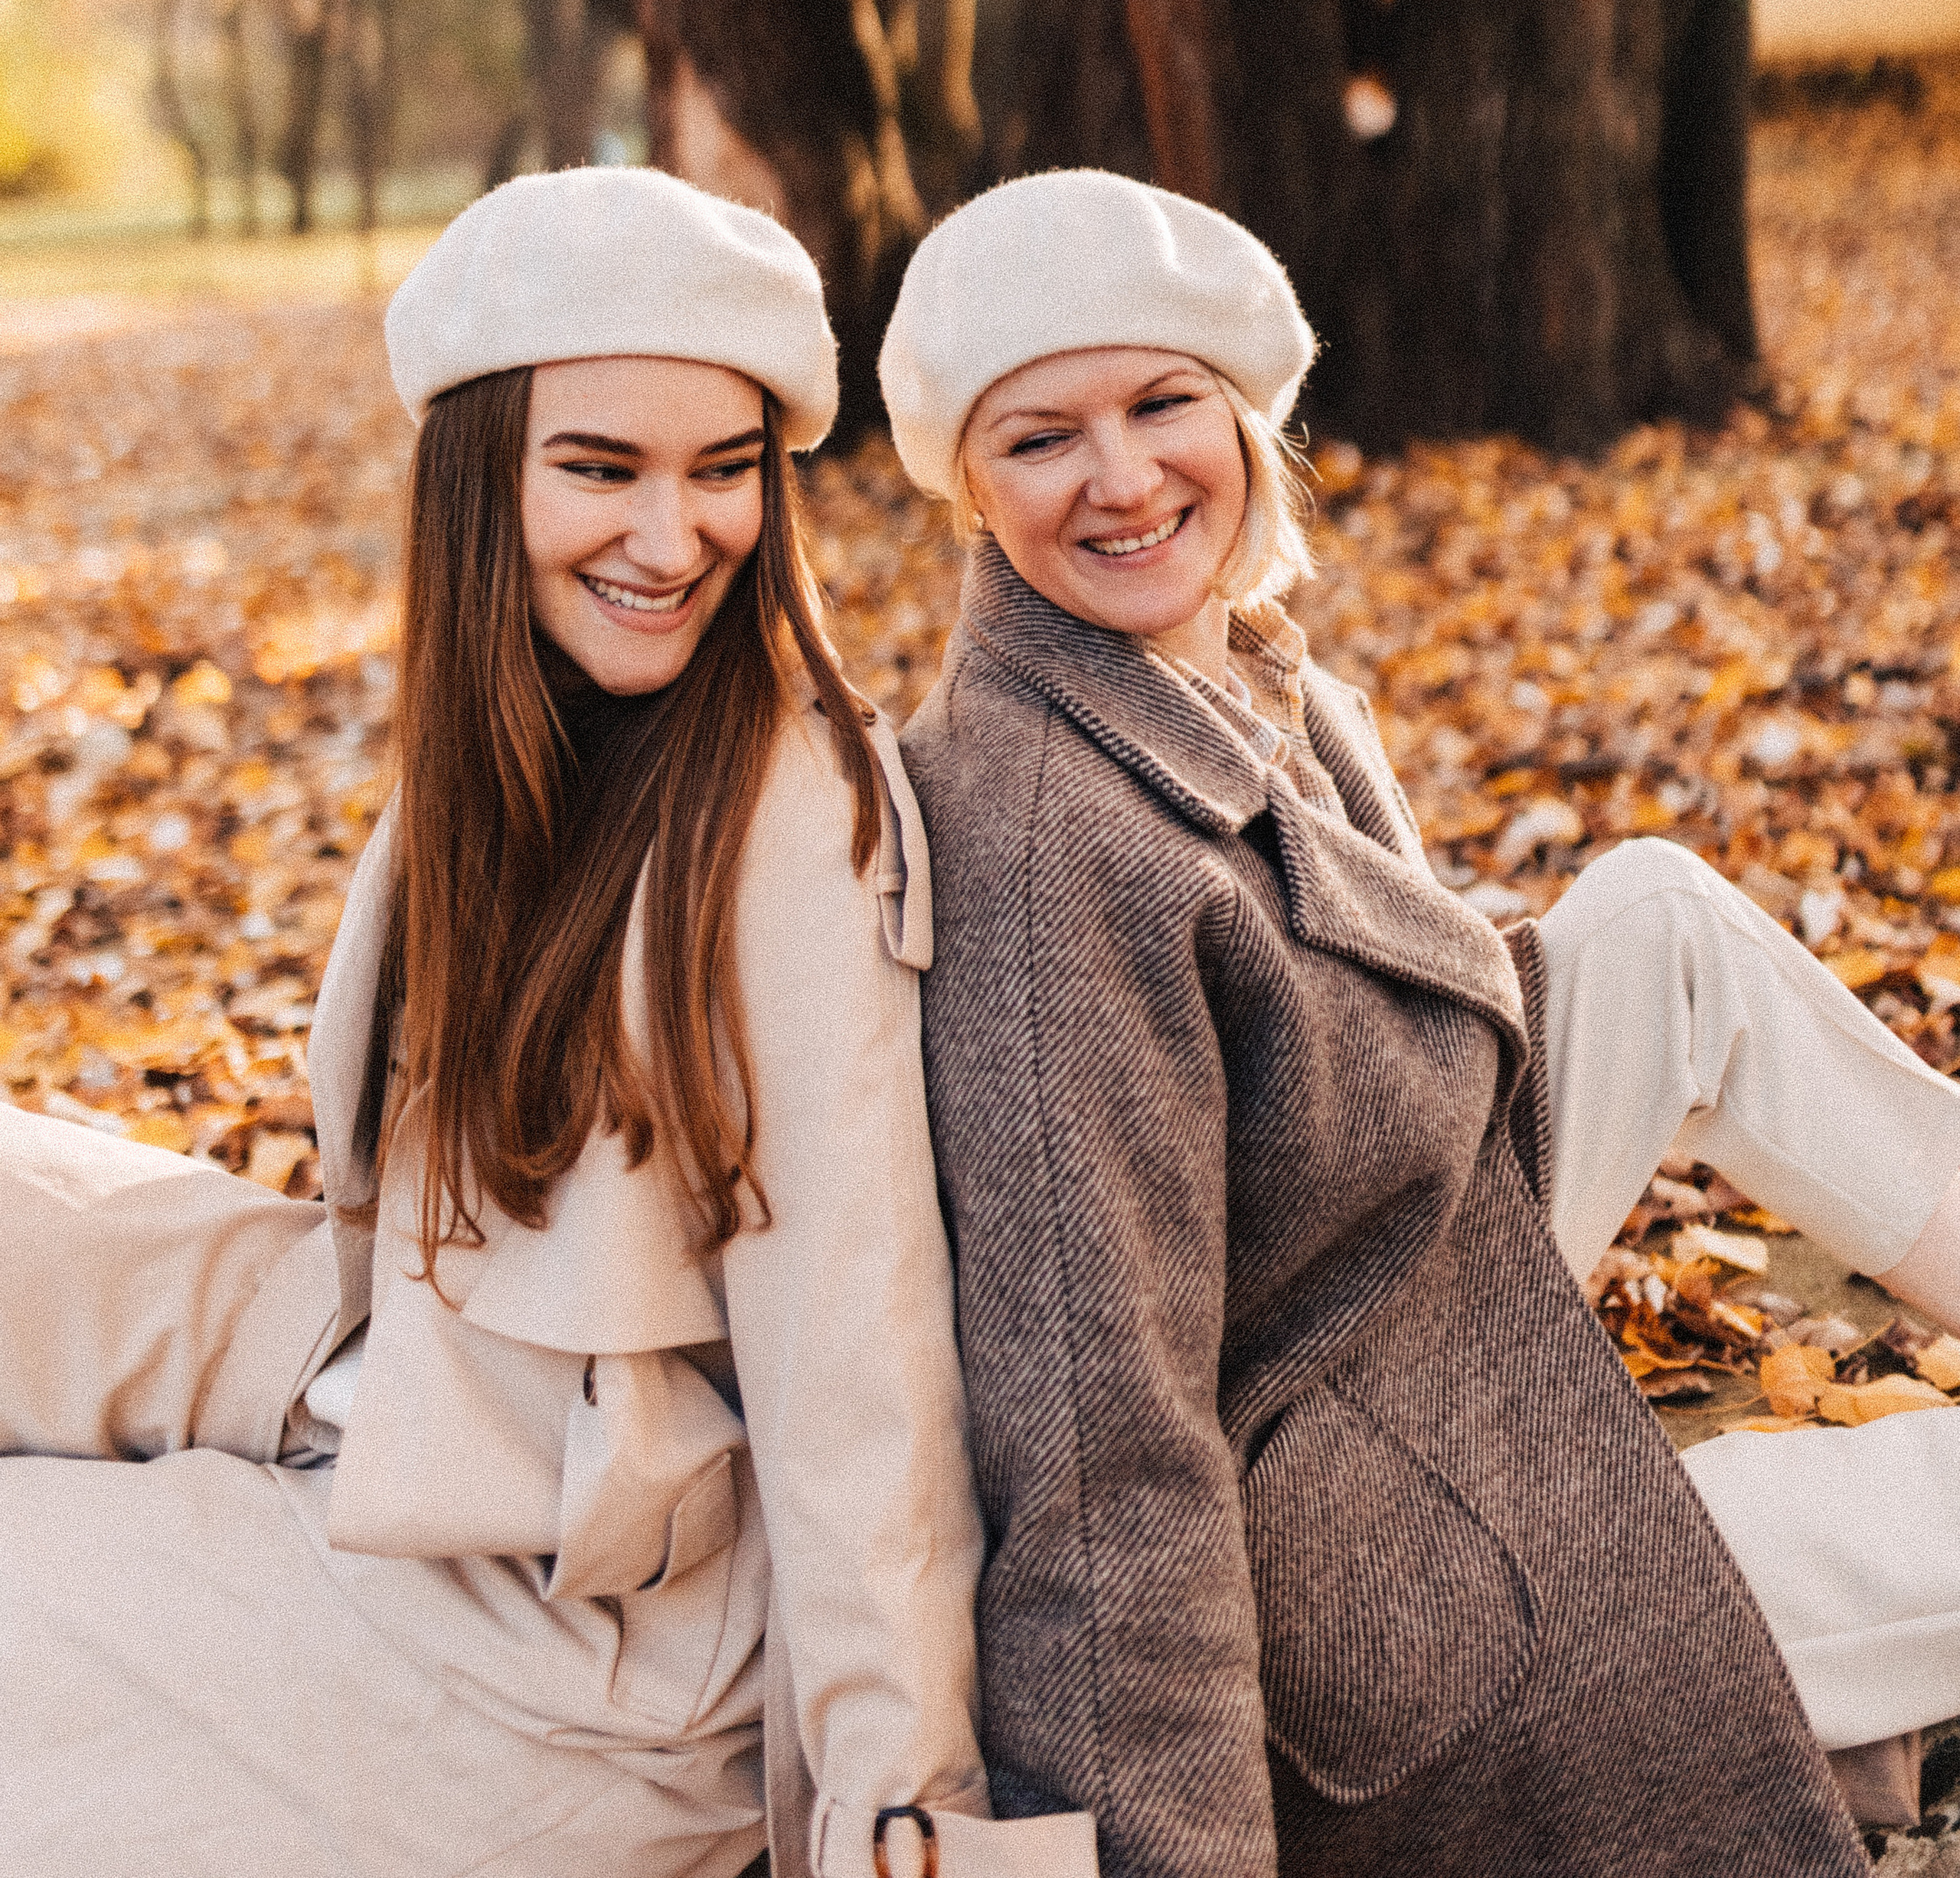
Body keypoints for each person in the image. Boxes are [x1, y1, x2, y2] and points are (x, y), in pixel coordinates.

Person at [0, 168, 1091, 1878]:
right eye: (603, 470)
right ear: (472, 485)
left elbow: (856, 1375)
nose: (674, 541)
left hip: (601, 1655)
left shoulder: (789, 811)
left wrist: (907, 1827)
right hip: (403, 1408)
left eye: (724, 474)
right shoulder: (508, 738)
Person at [880, 165, 1960, 1878]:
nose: (1118, 477)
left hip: (1405, 1273)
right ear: (963, 483)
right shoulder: (1040, 853)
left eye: (1162, 402)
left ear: (1242, 410)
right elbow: (1100, 1435)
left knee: (1655, 916)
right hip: (1369, 1575)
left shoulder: (1215, 666)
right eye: (1038, 438)